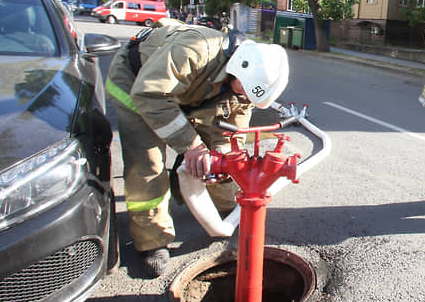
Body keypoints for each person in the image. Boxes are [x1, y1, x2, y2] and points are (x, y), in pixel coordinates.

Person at [105, 19, 289, 277]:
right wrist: (191, 146)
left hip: (186, 93)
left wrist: (222, 157)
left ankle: (230, 211)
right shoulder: (194, 50)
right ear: (238, 70)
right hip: (138, 86)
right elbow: (149, 95)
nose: (245, 99)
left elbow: (228, 133)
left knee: (222, 156)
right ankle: (152, 241)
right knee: (147, 163)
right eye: (245, 93)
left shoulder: (243, 88)